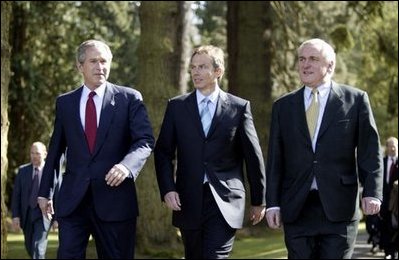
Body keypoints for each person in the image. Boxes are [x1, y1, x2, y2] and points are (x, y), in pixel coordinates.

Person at [265, 38, 383, 259]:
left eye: (313, 59)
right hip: (296, 207)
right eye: (301, 59)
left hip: (339, 207)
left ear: (330, 65)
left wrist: (372, 192)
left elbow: (370, 151)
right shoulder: (283, 106)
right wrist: (272, 203)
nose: (305, 65)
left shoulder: (355, 100)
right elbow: (275, 160)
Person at [37, 39, 155, 259]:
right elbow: (55, 151)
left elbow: (145, 140)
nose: (100, 67)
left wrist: (126, 166)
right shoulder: (65, 103)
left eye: (104, 61)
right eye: (94, 61)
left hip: (115, 201)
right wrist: (45, 192)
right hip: (73, 202)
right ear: (80, 66)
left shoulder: (129, 98)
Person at [154, 45, 266, 259]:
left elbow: (253, 156)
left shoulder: (239, 107)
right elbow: (163, 153)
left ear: (218, 71)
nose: (195, 72)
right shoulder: (176, 107)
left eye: (202, 67)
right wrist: (168, 189)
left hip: (225, 199)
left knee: (215, 256)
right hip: (187, 199)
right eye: (193, 67)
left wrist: (259, 200)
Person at [11, 141, 54, 259]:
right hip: (27, 215)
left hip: (44, 215)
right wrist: (15, 216)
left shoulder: (52, 171)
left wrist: (58, 219)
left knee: (38, 248)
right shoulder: (22, 171)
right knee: (30, 247)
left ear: (45, 154)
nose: (34, 156)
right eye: (32, 153)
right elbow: (16, 196)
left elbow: (59, 195)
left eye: (38, 153)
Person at [379, 137, 398, 259]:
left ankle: (395, 251)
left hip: (397, 202)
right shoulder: (382, 162)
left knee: (396, 228)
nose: (392, 148)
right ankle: (388, 252)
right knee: (385, 226)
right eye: (389, 146)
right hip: (384, 201)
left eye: (394, 146)